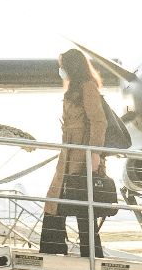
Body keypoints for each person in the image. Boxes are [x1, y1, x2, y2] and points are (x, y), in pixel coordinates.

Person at [41, 49, 113, 257]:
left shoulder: (87, 87)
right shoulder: (75, 88)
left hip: (81, 153)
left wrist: (94, 154)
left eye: (63, 66)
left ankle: (89, 254)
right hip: (70, 152)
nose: (61, 70)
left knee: (81, 205)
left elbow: (99, 121)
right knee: (57, 202)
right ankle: (54, 248)